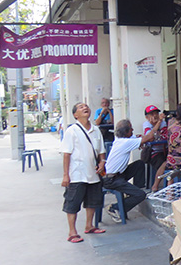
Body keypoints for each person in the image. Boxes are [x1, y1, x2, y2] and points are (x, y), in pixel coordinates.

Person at [60, 102, 107, 243]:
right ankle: (72, 231)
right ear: (75, 115)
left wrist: (102, 163)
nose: (85, 108)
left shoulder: (96, 130)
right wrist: (65, 175)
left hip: (93, 173)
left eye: (86, 106)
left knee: (92, 201)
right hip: (77, 174)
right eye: (80, 107)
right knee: (72, 203)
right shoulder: (72, 131)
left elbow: (101, 152)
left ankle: (89, 225)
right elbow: (66, 154)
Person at [102, 119, 157, 222]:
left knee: (139, 164)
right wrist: (159, 122)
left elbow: (137, 137)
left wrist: (139, 138)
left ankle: (136, 189)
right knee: (141, 195)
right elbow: (149, 137)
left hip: (119, 174)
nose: (133, 130)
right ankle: (115, 208)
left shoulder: (122, 139)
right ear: (126, 131)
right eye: (131, 129)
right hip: (112, 179)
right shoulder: (124, 142)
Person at [143, 105, 169, 192]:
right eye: (152, 114)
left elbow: (165, 136)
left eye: (156, 113)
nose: (155, 116)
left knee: (172, 160)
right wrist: (158, 123)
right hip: (153, 152)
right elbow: (149, 137)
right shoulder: (146, 124)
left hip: (165, 150)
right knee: (166, 163)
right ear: (147, 117)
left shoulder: (163, 123)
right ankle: (155, 186)